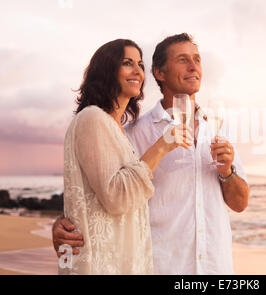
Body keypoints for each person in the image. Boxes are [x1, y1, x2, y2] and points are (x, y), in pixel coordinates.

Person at [53, 33, 250, 274]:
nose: (193, 66)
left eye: (197, 59)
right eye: (183, 60)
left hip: (215, 267)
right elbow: (102, 192)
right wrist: (64, 224)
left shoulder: (219, 128)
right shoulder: (133, 133)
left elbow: (240, 204)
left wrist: (227, 171)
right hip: (160, 266)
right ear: (159, 73)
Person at [60, 39, 191, 274]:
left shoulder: (117, 129)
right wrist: (161, 146)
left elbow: (93, 195)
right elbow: (116, 197)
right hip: (101, 264)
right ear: (107, 70)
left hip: (122, 260)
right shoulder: (93, 119)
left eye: (140, 64)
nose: (137, 71)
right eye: (127, 63)